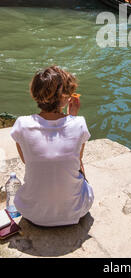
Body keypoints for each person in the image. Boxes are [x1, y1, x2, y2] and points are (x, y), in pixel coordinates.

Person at [10, 66, 94, 227]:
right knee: (79, 168)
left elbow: (26, 160)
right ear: (65, 97)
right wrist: (73, 117)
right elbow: (77, 161)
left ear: (35, 93)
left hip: (33, 213)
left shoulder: (21, 124)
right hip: (75, 211)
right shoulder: (79, 124)